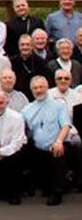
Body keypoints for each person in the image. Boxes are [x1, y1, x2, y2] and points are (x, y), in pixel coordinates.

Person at [21, 76, 71, 206]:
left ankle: (57, 193)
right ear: (31, 91)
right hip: (39, 148)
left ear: (47, 87)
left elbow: (66, 125)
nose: (38, 90)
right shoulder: (27, 110)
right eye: (35, 88)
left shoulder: (59, 104)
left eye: (41, 87)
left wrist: (59, 141)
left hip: (57, 143)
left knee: (58, 153)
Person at [9, 34, 50, 100]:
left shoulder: (41, 62)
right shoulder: (12, 62)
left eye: (28, 44)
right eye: (22, 45)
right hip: (18, 98)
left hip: (36, 97)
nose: (25, 47)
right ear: (19, 46)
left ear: (32, 46)